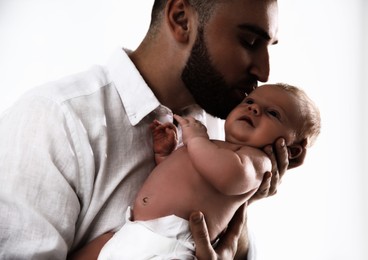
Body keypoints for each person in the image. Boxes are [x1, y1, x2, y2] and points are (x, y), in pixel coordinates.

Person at [0, 0, 306, 259]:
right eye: (250, 42)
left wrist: (242, 207)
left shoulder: (225, 127)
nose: (264, 72)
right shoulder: (56, 119)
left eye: (268, 47)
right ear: (181, 19)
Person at [70, 83, 321, 259]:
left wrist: (195, 138)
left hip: (171, 246)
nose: (254, 109)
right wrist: (166, 155)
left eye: (273, 113)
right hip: (131, 231)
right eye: (250, 101)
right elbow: (183, 180)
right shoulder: (215, 147)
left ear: (292, 150)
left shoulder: (256, 162)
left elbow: (227, 175)